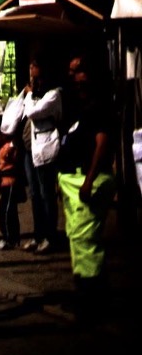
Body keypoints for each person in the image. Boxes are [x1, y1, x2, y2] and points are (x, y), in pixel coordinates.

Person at [57, 55, 116, 324]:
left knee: (85, 240)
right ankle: (86, 291)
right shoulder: (81, 106)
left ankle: (92, 299)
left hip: (87, 179)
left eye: (78, 71)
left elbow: (102, 145)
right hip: (74, 180)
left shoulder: (99, 107)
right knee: (77, 237)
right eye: (71, 72)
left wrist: (89, 179)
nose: (73, 77)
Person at [0, 55, 63, 253]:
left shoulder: (54, 94)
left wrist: (28, 96)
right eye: (31, 75)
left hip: (45, 149)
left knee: (46, 194)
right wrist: (27, 94)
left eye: (36, 76)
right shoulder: (31, 94)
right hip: (29, 149)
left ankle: (50, 237)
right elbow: (13, 116)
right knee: (34, 194)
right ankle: (38, 235)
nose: (33, 81)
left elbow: (35, 112)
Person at [0, 131, 23, 251]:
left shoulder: (10, 147)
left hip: (10, 182)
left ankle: (10, 238)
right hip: (4, 183)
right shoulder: (2, 148)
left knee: (7, 212)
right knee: (5, 210)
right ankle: (9, 237)